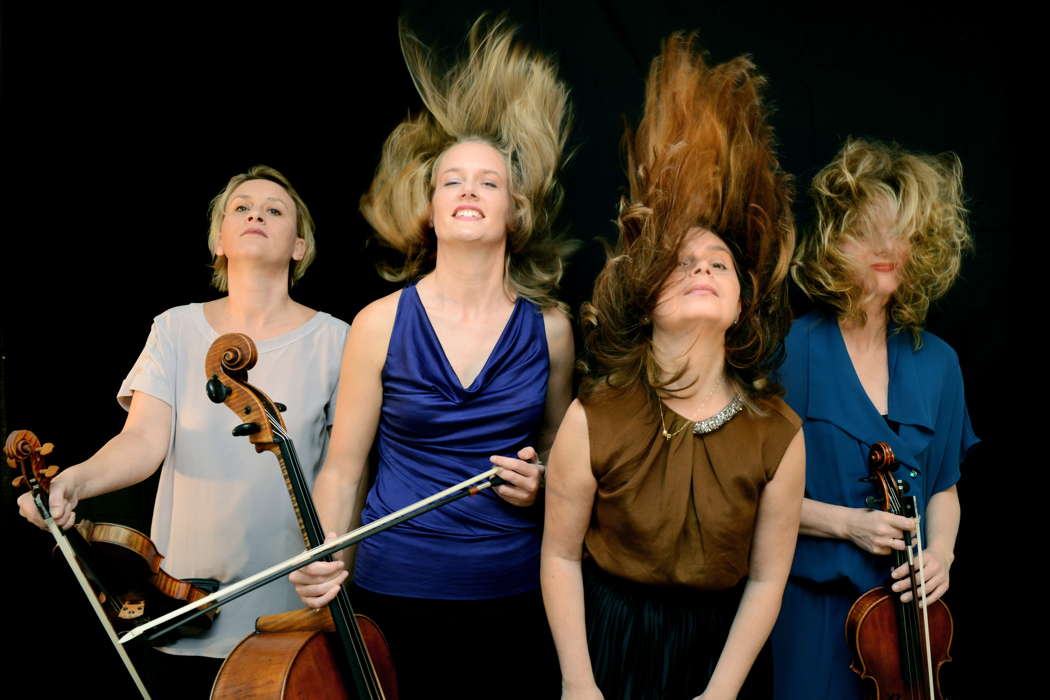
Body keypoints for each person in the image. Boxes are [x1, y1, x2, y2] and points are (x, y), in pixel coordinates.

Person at [289, 18, 574, 700]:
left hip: (513, 593)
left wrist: (544, 486)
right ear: (429, 212)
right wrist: (327, 556)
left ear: (515, 213)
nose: (469, 190)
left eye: (488, 182)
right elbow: (344, 466)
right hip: (396, 591)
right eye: (452, 182)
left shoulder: (553, 329)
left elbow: (564, 455)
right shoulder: (379, 323)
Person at [16, 165, 349, 697]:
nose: (255, 214)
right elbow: (142, 441)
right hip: (188, 599)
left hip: (294, 606)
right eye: (240, 207)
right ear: (219, 239)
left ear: (299, 246)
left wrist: (339, 566)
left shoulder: (338, 340)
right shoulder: (175, 328)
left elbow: (347, 468)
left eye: (274, 208)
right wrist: (70, 483)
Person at [541, 34, 805, 700]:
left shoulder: (779, 431)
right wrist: (578, 680)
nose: (703, 270)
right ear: (647, 297)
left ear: (743, 306)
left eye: (719, 264)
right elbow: (561, 555)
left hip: (721, 655)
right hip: (609, 642)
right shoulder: (592, 415)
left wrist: (720, 692)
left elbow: (768, 579)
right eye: (684, 264)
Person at [770, 138, 977, 698]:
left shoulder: (939, 362)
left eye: (899, 231)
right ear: (834, 244)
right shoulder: (791, 350)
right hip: (811, 605)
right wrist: (847, 524)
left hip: (908, 620)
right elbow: (750, 495)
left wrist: (941, 555)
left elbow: (944, 488)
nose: (885, 246)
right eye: (865, 230)